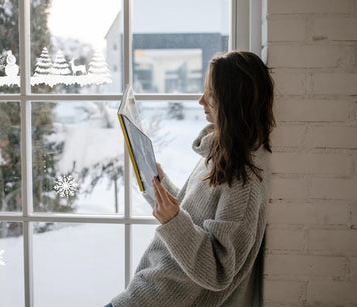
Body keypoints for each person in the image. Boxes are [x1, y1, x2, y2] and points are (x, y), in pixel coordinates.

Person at [106, 50, 275, 307]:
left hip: (162, 299)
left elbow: (219, 269)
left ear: (230, 103)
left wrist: (172, 220)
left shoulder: (244, 181)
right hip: (147, 291)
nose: (200, 101)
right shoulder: (221, 153)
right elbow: (192, 219)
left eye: (211, 95)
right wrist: (161, 185)